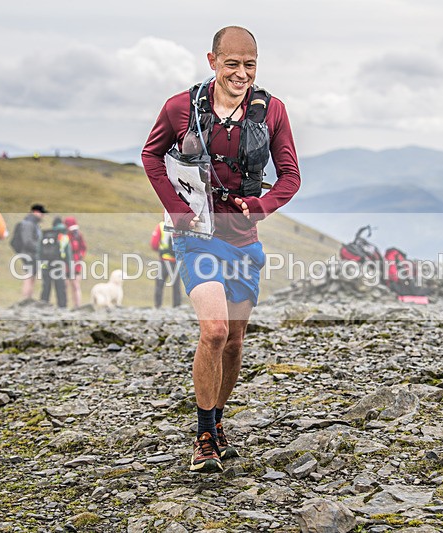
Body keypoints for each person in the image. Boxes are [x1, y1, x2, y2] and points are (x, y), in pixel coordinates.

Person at [141, 26, 300, 473]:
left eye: (249, 65)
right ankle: (204, 435)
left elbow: (290, 175)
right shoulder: (179, 108)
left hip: (244, 240)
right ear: (212, 61)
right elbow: (151, 156)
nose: (241, 73)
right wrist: (176, 209)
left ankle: (218, 420)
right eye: (232, 63)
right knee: (213, 331)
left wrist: (261, 206)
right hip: (197, 236)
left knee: (233, 341)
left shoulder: (273, 112)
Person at [14, 204, 47, 300]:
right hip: (29, 254)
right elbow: (27, 241)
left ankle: (28, 297)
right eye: (41, 213)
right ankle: (25, 298)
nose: (43, 216)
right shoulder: (29, 224)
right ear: (36, 212)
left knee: (32, 276)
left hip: (31, 254)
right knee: (29, 276)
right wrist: (39, 248)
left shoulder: (33, 223)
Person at [39, 217, 72, 308]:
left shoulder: (45, 235)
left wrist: (42, 266)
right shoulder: (64, 237)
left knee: (46, 285)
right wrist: (69, 268)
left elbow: (39, 252)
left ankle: (43, 304)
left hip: (45, 264)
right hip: (58, 264)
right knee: (60, 286)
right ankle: (62, 306)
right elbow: (68, 254)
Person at [150, 218, 182, 308]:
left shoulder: (161, 226)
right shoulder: (180, 226)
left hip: (164, 260)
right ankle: (177, 306)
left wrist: (161, 251)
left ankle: (157, 306)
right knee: (176, 285)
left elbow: (154, 244)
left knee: (159, 283)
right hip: (176, 261)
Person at [64, 216, 87, 308]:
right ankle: (64, 305)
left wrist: (81, 254)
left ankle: (77, 305)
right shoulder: (63, 235)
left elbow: (83, 247)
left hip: (76, 264)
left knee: (76, 286)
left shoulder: (78, 235)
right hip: (65, 265)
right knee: (64, 286)